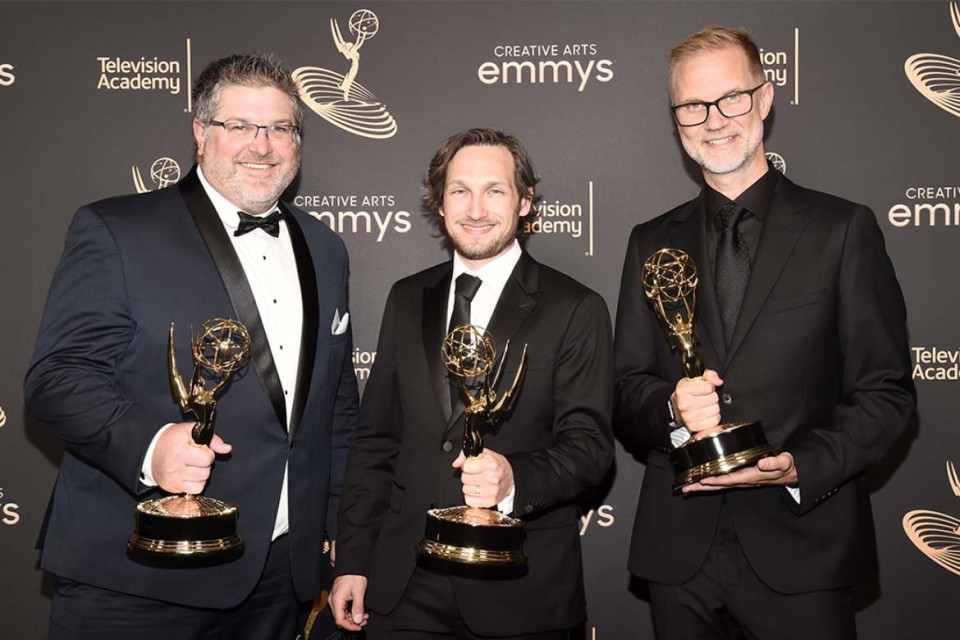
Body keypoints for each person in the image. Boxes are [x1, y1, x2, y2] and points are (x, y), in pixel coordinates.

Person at [24, 53, 359, 639]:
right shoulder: (116, 231)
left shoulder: (324, 249)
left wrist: (339, 529)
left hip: (281, 578)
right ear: (202, 134)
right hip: (138, 576)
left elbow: (336, 407)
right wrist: (151, 448)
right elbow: (58, 377)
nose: (262, 145)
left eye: (280, 128)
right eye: (241, 126)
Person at [614, 27, 915, 640]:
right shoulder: (651, 241)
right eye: (692, 106)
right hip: (680, 554)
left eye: (732, 98)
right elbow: (625, 390)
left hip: (803, 549)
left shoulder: (842, 229)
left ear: (766, 97)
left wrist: (796, 466)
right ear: (675, 118)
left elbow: (885, 395)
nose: (713, 120)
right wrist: (670, 409)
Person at [329, 128, 614, 639]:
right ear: (439, 203)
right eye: (460, 190)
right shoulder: (406, 297)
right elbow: (376, 440)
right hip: (404, 586)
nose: (476, 208)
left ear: (526, 202)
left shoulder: (576, 308)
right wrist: (353, 558)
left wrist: (514, 480)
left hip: (521, 587)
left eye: (495, 190)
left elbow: (591, 449)